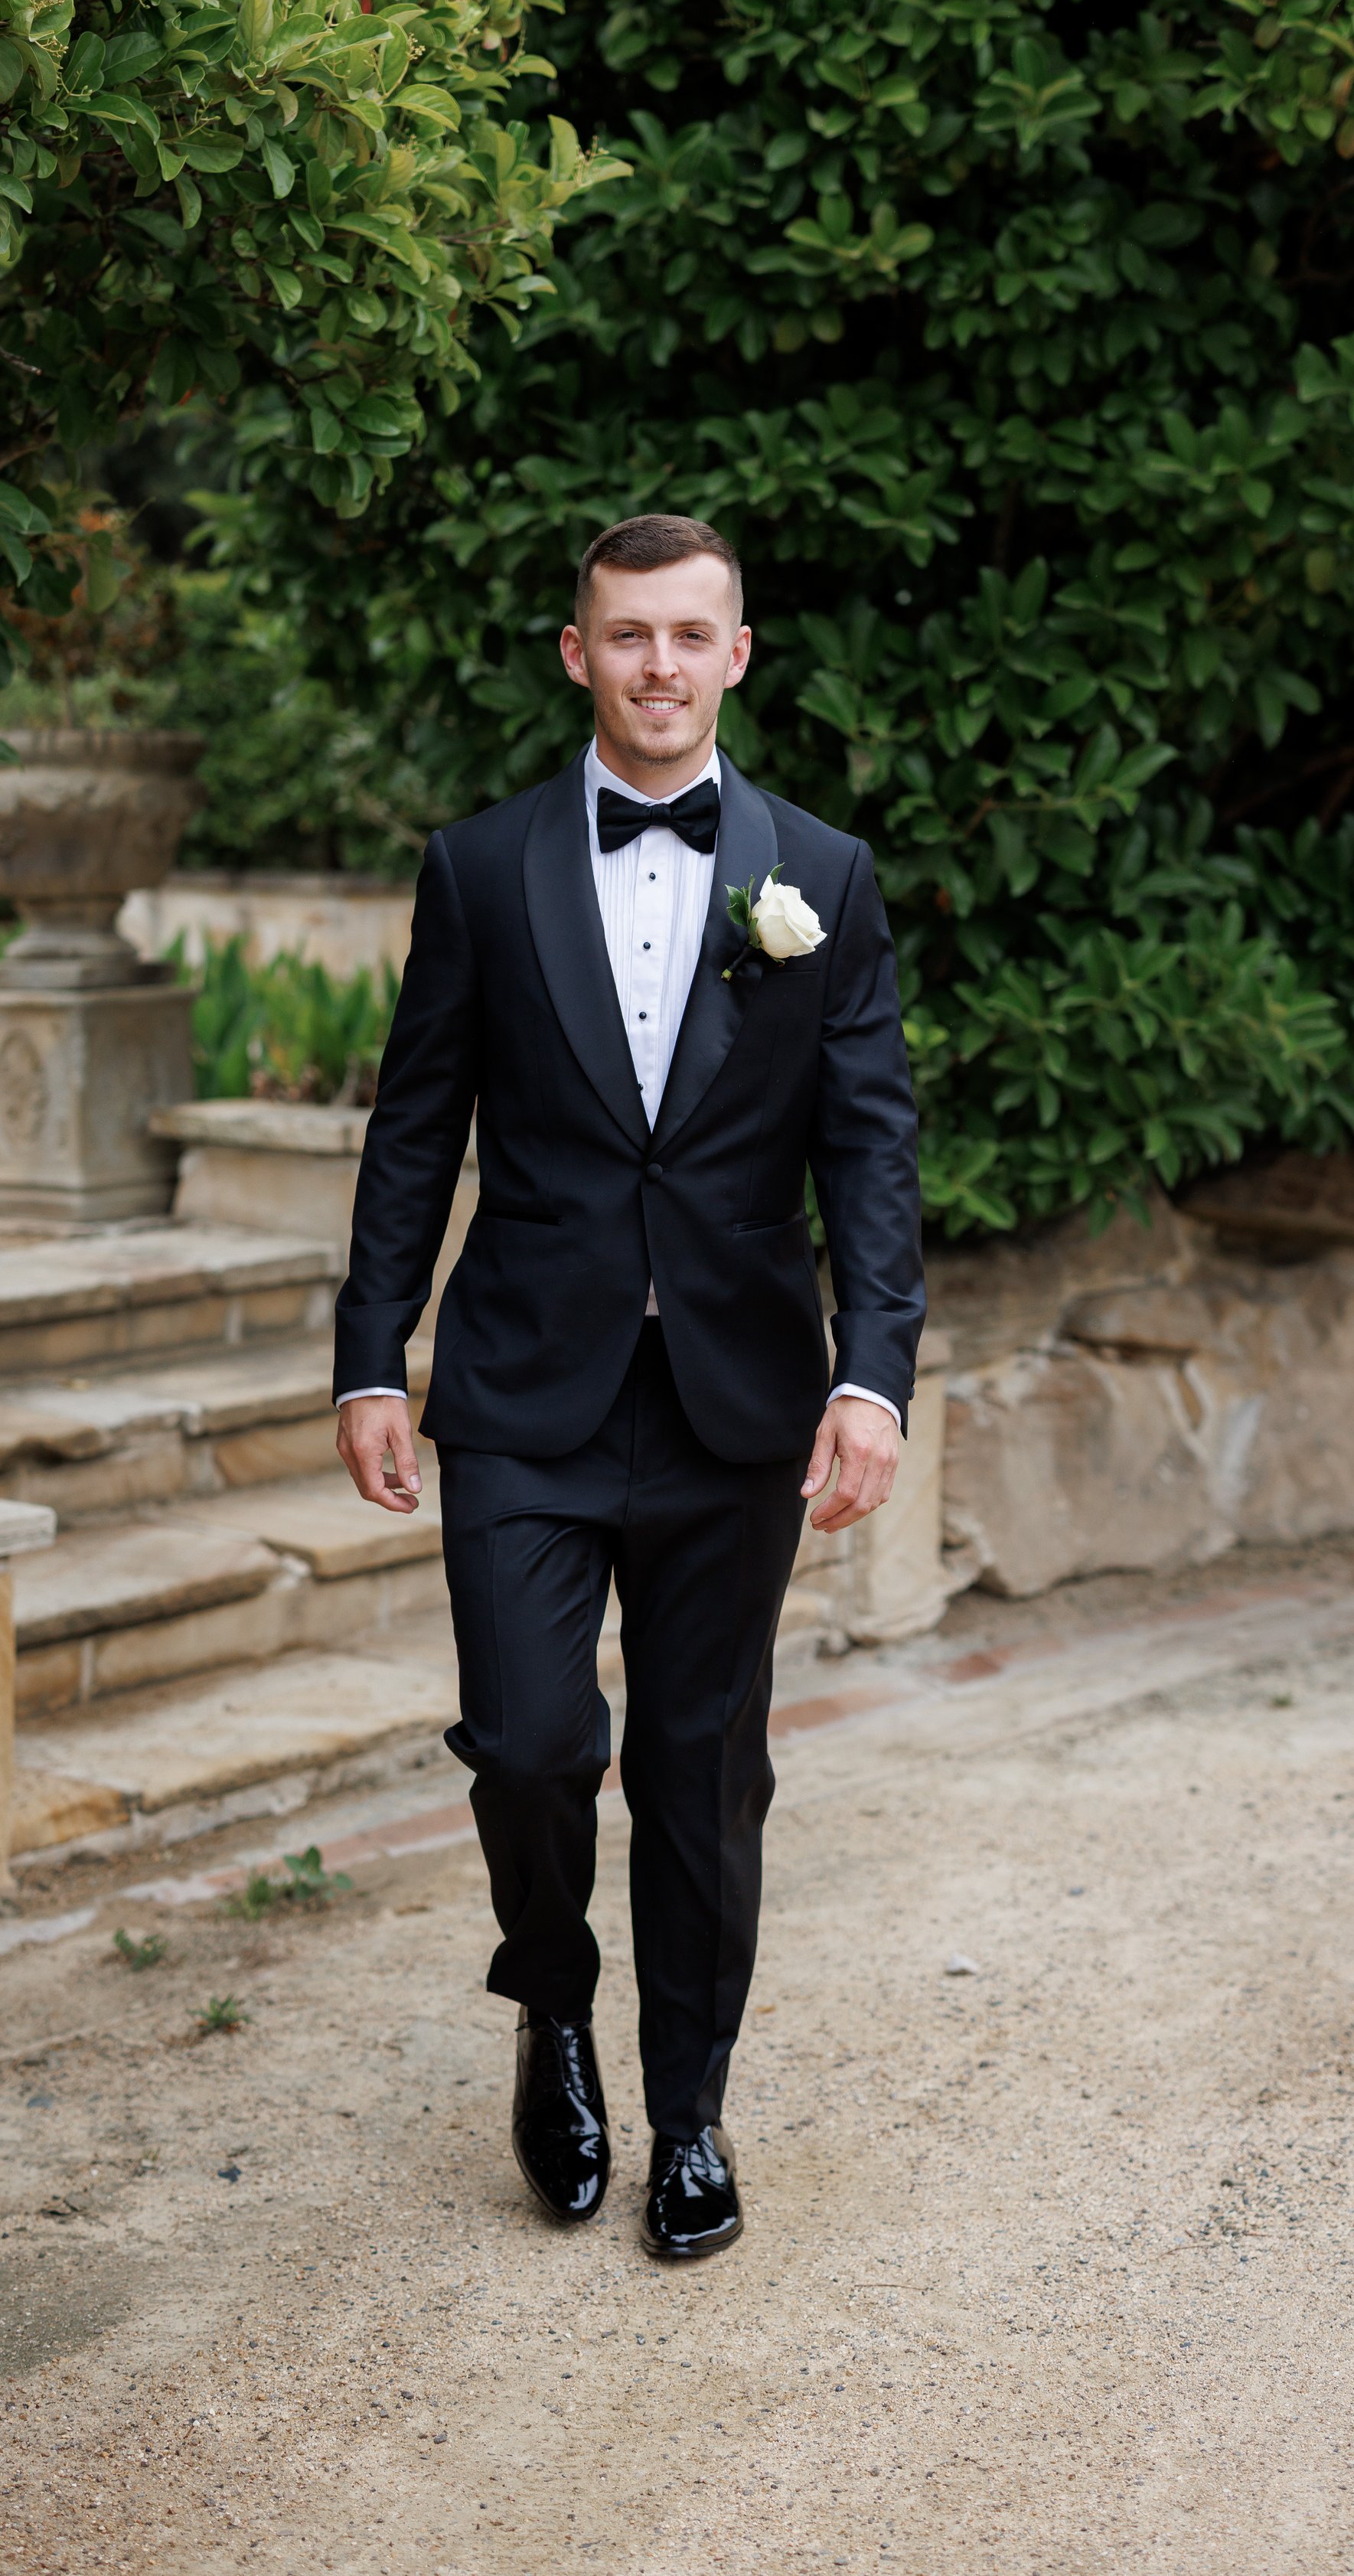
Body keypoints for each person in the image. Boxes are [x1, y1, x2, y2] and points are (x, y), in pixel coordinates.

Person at [333, 513, 924, 2261]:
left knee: (700, 1767)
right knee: (525, 1743)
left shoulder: (825, 868)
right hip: (523, 1384)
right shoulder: (481, 867)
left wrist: (873, 1378)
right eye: (625, 635)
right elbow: (411, 1129)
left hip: (736, 1400)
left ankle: (692, 2115)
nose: (658, 664)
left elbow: (871, 1151)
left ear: (735, 655)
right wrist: (372, 1354)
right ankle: (550, 2007)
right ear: (574, 652)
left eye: (689, 635)